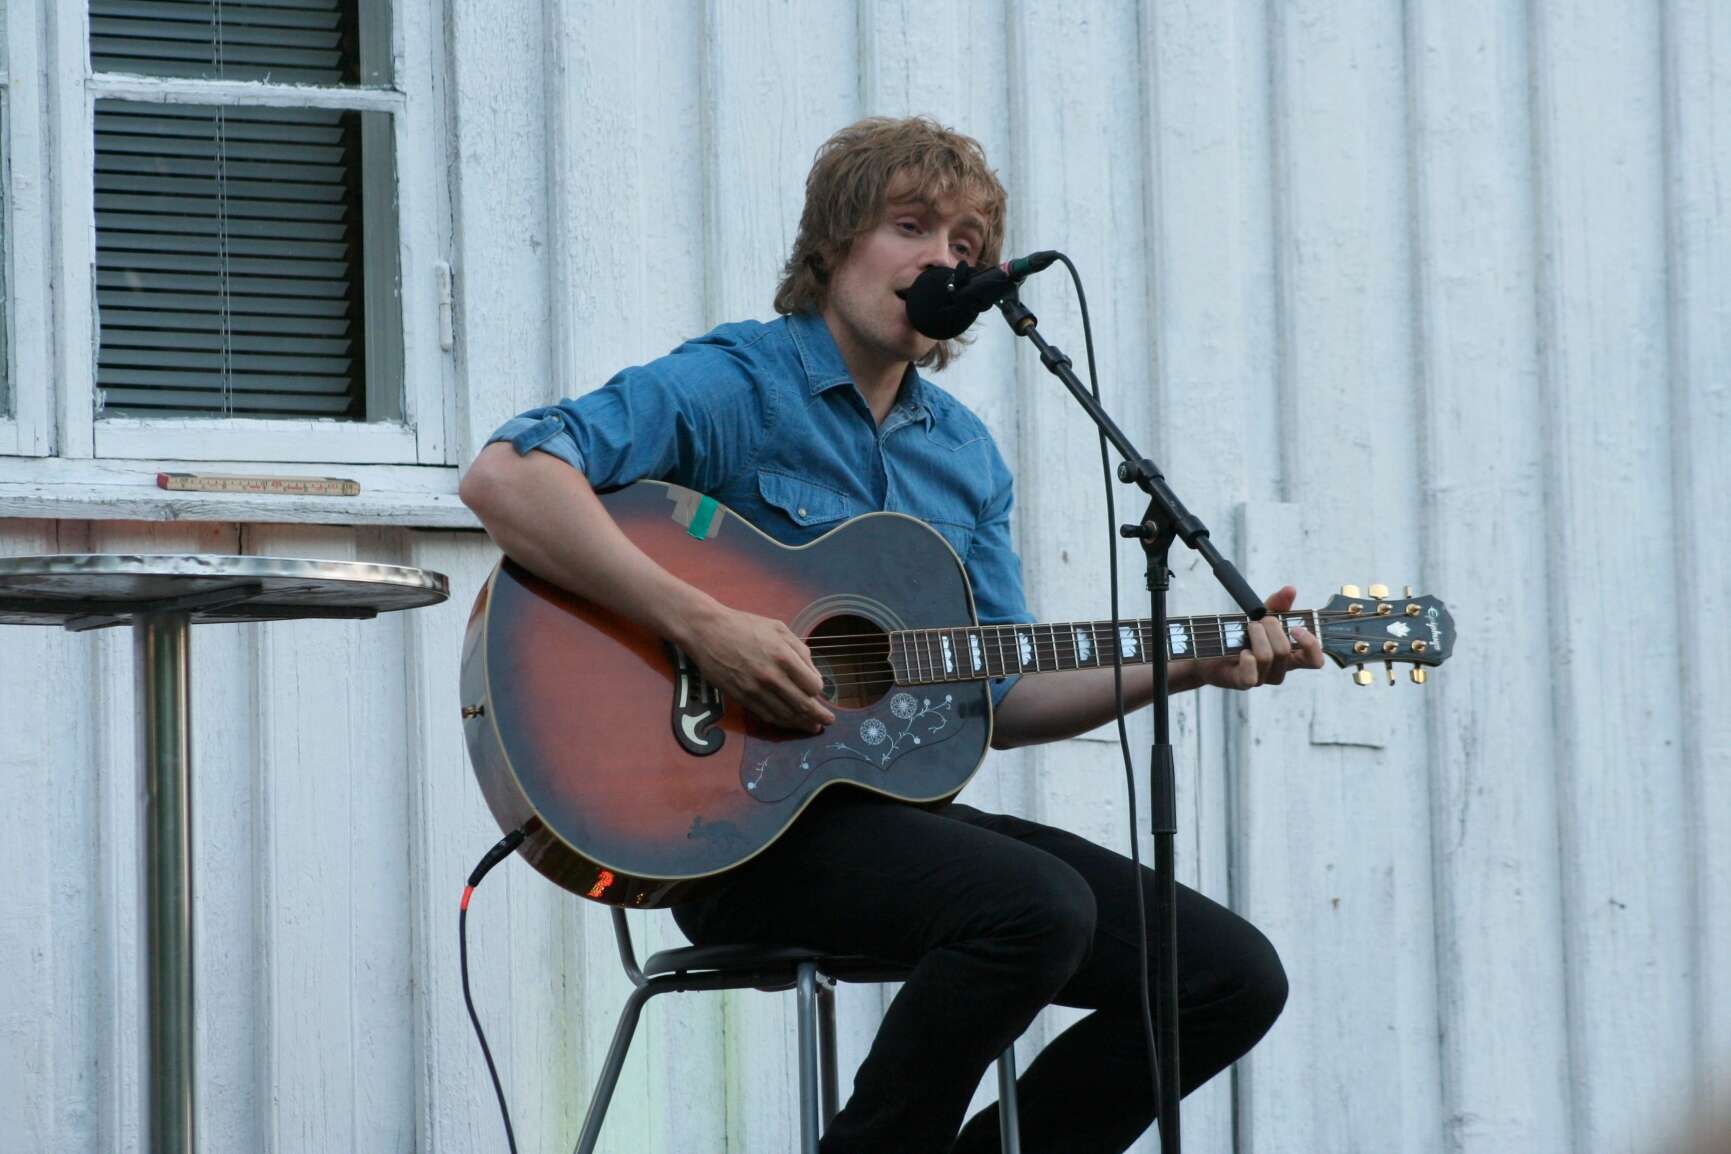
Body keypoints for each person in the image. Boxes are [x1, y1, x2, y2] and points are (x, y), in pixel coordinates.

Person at [460, 116, 1322, 1154]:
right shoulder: (737, 385)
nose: (939, 260)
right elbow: (506, 477)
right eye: (909, 227)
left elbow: (1002, 694)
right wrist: (707, 625)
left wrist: (1189, 664)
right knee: (1034, 907)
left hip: (886, 823)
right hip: (728, 833)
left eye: (965, 244)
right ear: (834, 244)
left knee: (1227, 974)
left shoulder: (963, 456)